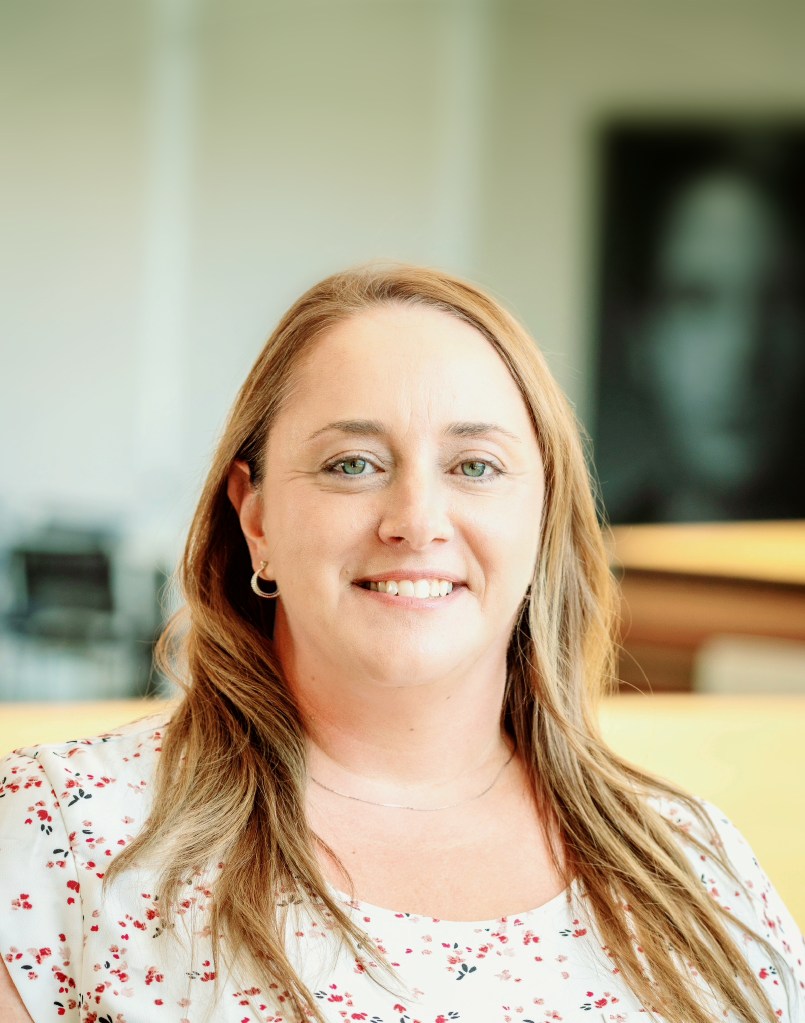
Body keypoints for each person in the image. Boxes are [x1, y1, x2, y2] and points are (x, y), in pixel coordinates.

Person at [0, 265, 802, 1023]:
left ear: (543, 517)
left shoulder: (696, 864)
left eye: (475, 466)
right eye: (351, 463)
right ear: (256, 519)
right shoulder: (60, 833)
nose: (416, 519)